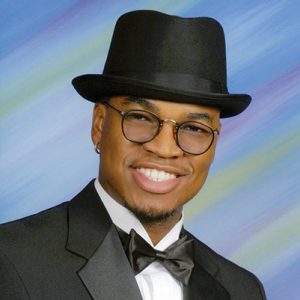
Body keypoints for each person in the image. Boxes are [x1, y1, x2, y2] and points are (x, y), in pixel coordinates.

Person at [0, 10, 267, 300]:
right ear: (99, 125)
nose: (164, 148)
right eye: (140, 118)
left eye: (193, 128)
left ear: (215, 142)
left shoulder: (242, 290)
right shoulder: (10, 260)